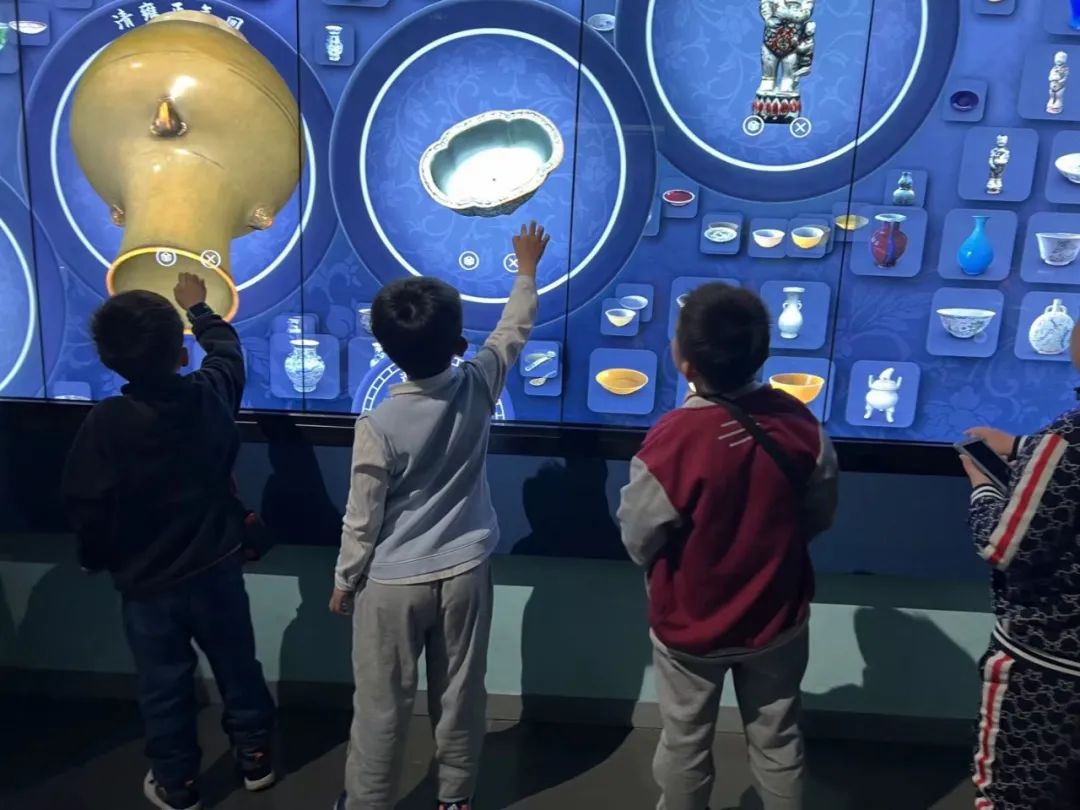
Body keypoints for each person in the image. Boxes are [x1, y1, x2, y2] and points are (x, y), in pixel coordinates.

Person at [329, 222, 549, 810]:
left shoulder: (378, 425)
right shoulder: (478, 384)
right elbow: (512, 331)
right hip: (464, 573)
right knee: (460, 695)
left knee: (381, 705)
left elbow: (362, 517)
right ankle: (454, 798)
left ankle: (367, 801)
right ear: (458, 344)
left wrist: (345, 579)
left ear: (384, 349)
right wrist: (526, 271)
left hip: (391, 585)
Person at [617, 283, 838, 810]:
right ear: (762, 353)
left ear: (685, 361)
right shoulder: (800, 423)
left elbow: (638, 537)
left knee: (684, 741)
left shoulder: (673, 439)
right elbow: (818, 514)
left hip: (690, 625)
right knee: (778, 739)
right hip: (777, 617)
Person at [63, 273, 275, 810]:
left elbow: (87, 505)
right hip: (217, 566)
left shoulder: (106, 423)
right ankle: (255, 757)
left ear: (109, 361)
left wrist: (93, 557)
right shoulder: (209, 397)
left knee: (163, 685)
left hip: (147, 582)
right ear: (181, 354)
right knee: (238, 666)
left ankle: (177, 782)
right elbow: (228, 354)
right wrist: (199, 309)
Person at [962, 332, 1080, 809]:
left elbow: (1003, 545)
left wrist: (984, 488)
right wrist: (1024, 448)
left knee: (1013, 794)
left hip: (1047, 667)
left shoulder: (1066, 442)